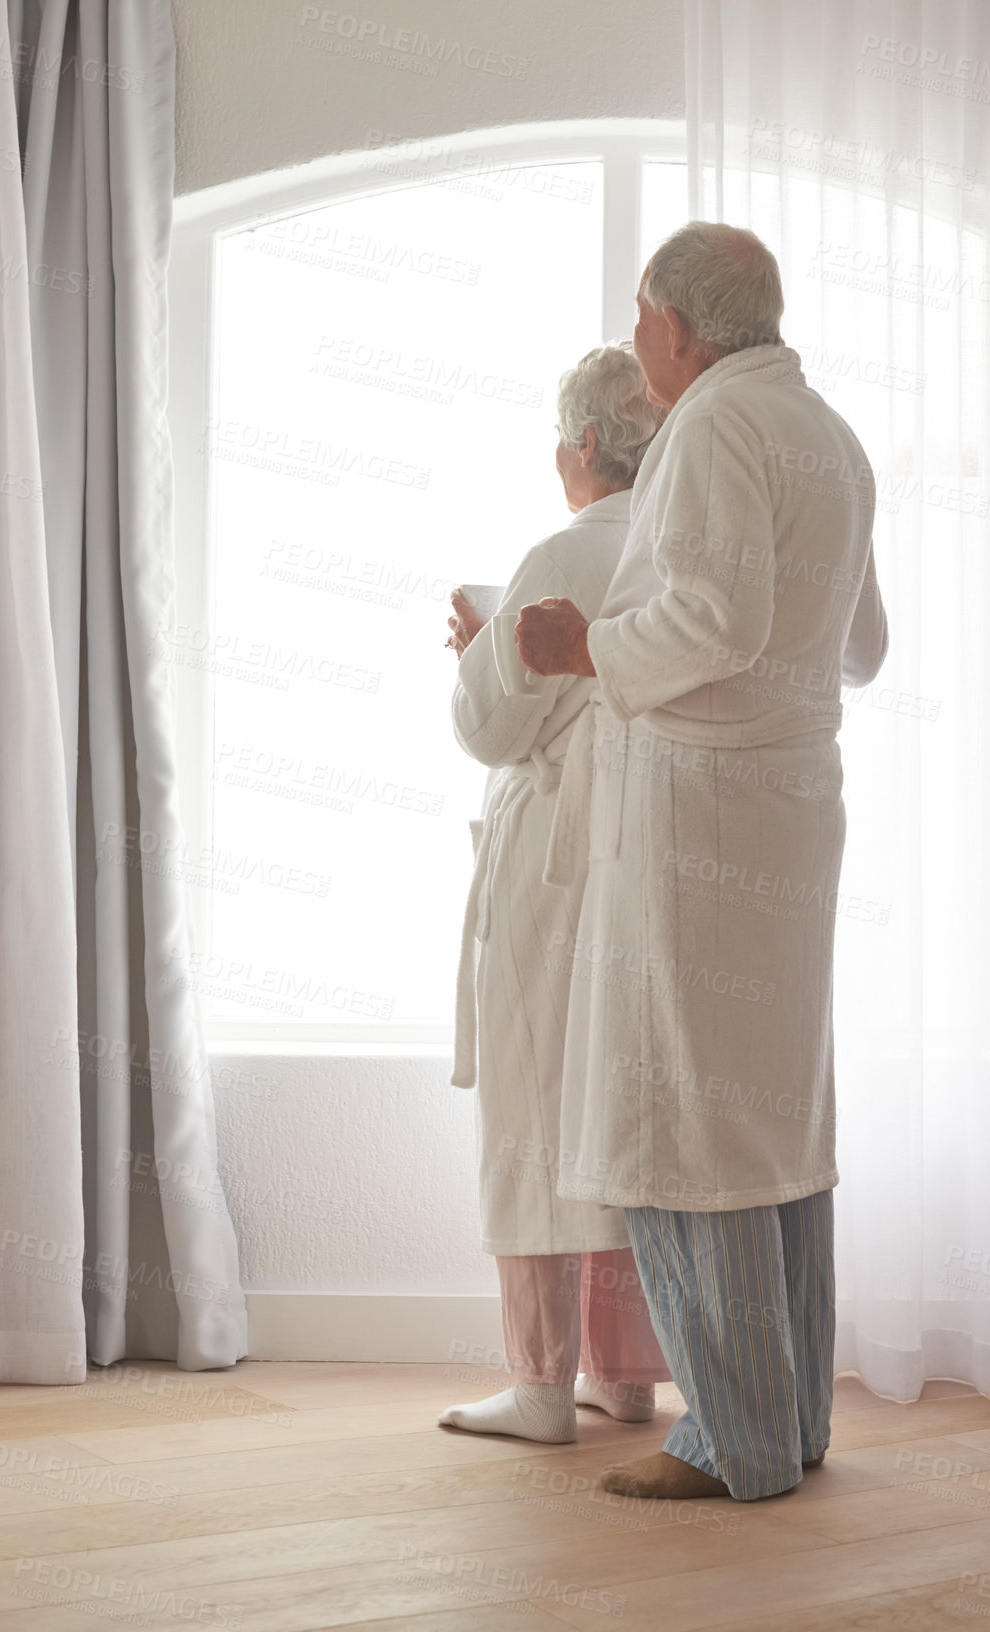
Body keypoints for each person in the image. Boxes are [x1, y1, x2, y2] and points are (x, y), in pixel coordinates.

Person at [515, 223, 889, 1500]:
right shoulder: (828, 435)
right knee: (769, 1116)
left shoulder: (716, 428)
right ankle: (788, 1423)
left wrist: (585, 650)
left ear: (680, 325)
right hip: (794, 800)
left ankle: (727, 1441)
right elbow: (859, 648)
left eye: (638, 314)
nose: (633, 339)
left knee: (683, 1112)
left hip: (705, 811)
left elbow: (715, 619)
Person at [439, 345, 671, 1446]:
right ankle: (626, 1376)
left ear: (581, 446)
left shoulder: (565, 549)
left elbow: (492, 723)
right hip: (641, 860)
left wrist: (485, 649)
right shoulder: (676, 548)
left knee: (532, 1107)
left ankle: (539, 1384)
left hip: (550, 865)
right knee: (615, 1105)